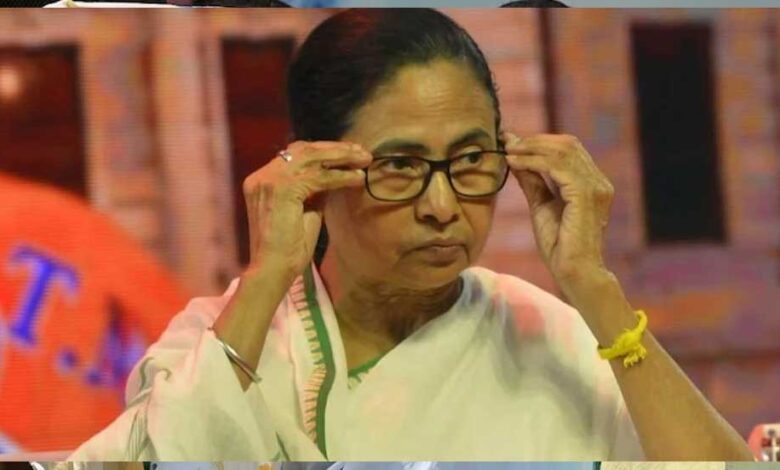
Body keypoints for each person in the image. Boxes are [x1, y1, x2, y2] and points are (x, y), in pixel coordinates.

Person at [69, 9, 753, 461]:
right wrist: (267, 276)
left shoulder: (549, 335)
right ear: (317, 171)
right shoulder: (221, 338)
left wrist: (594, 286)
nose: (442, 205)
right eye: (400, 166)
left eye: (470, 160)